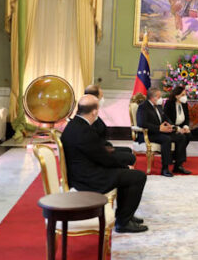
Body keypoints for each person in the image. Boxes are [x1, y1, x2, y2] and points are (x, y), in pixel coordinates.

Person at [60, 95, 148, 233]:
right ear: (94, 112)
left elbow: (99, 155)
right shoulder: (84, 130)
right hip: (88, 179)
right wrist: (124, 166)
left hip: (82, 171)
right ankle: (123, 222)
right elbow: (104, 158)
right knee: (138, 176)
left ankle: (125, 215)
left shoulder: (75, 125)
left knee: (127, 175)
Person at [136, 88, 190, 177]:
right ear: (153, 98)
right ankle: (165, 168)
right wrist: (159, 128)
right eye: (159, 96)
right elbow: (142, 123)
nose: (161, 98)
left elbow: (166, 118)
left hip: (160, 132)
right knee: (166, 139)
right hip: (149, 134)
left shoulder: (158, 106)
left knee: (181, 137)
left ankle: (178, 165)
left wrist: (172, 127)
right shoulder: (143, 106)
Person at [84, 85, 136, 168]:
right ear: (95, 98)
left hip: (104, 147)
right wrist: (106, 149)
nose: (103, 99)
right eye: (101, 96)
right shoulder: (89, 116)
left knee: (128, 150)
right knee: (130, 157)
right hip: (100, 152)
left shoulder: (94, 114)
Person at [163, 85, 193, 174]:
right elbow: (166, 119)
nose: (184, 97)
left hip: (181, 128)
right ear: (176, 95)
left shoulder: (184, 104)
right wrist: (177, 129)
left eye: (185, 94)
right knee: (182, 137)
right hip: (170, 128)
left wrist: (186, 127)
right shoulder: (169, 104)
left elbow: (187, 118)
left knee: (188, 135)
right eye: (182, 95)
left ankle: (176, 157)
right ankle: (178, 165)